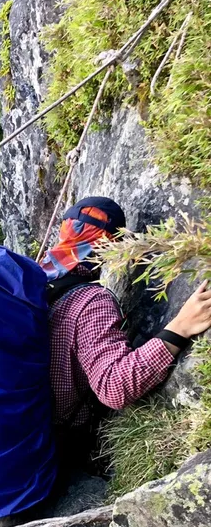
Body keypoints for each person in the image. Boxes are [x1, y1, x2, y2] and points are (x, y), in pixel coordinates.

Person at [42, 196, 211, 471]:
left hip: (6, 440)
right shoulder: (89, 302)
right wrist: (179, 328)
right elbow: (114, 388)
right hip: (46, 452)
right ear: (112, 246)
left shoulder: (30, 280)